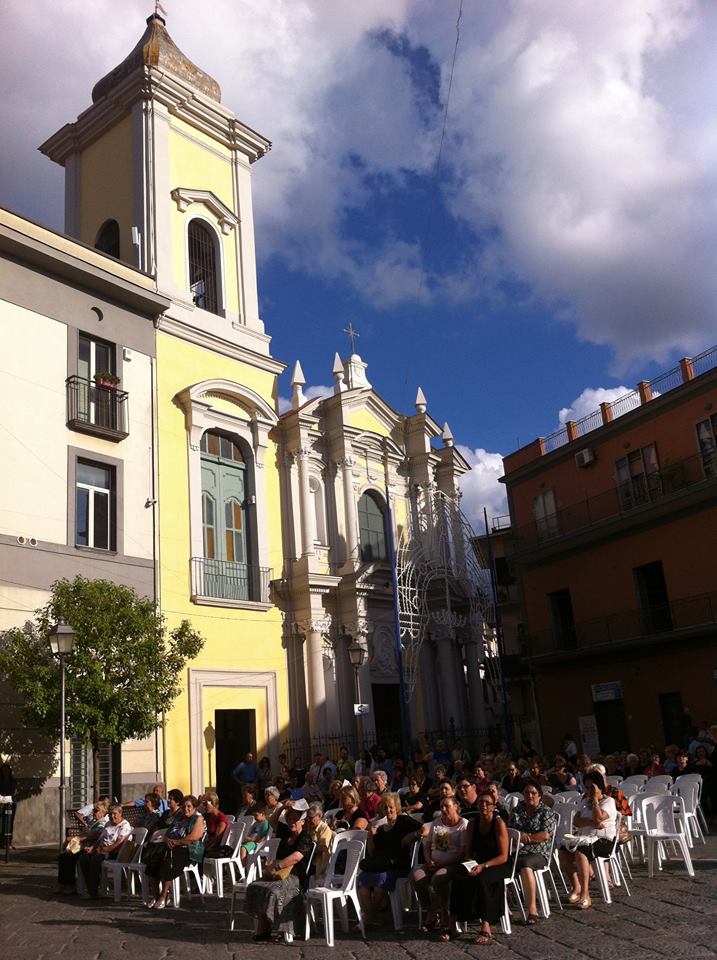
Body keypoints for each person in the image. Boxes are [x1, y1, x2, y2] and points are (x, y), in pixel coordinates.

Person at [446, 789, 511, 943]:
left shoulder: (498, 823)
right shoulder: (473, 823)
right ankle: (452, 925)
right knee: (457, 877)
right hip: (477, 862)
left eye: (487, 803)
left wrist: (483, 865)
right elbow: (468, 852)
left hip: (496, 863)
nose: (483, 805)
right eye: (481, 802)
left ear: (493, 806)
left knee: (482, 879)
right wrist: (470, 864)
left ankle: (486, 926)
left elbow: (503, 856)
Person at [245, 807, 314, 941]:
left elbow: (297, 856)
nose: (292, 822)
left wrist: (277, 866)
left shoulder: (305, 838)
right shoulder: (285, 834)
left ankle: (282, 930)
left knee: (274, 891)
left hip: (295, 877)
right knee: (256, 886)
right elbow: (271, 821)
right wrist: (283, 807)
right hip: (279, 874)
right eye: (289, 819)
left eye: (295, 819)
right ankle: (264, 928)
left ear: (302, 821)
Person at [558, 770, 616, 910]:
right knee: (563, 852)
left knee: (580, 852)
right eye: (587, 787)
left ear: (599, 787)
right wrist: (591, 822)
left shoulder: (608, 801)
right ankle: (576, 886)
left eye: (592, 788)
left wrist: (595, 800)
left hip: (603, 839)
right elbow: (577, 821)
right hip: (585, 838)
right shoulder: (584, 801)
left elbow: (599, 817)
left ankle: (585, 894)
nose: (589, 791)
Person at [357, 793, 416, 925]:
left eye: (391, 807)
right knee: (362, 881)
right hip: (381, 864)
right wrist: (370, 837)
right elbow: (372, 853)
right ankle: (369, 918)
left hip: (398, 864)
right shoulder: (380, 827)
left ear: (397, 808)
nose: (388, 810)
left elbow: (426, 828)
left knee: (379, 883)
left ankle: (367, 919)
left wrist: (413, 835)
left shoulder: (404, 821)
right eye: (385, 807)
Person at [411, 796, 467, 934]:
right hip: (434, 862)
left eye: (447, 806)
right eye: (442, 806)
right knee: (416, 877)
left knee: (438, 878)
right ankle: (431, 911)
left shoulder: (463, 825)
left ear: (456, 807)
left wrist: (443, 863)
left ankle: (445, 911)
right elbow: (427, 846)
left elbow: (462, 852)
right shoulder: (437, 822)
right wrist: (429, 860)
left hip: (453, 863)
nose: (443, 809)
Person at [509, 779, 556, 924]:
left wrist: (526, 837)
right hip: (518, 850)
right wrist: (519, 835)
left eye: (533, 793)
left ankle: (532, 910)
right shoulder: (518, 810)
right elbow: (510, 830)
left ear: (539, 795)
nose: (530, 796)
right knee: (498, 864)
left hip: (539, 852)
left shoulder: (546, 811)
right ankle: (504, 909)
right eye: (527, 793)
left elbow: (545, 835)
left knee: (525, 864)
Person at [146, 795, 205, 909]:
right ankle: (156, 896)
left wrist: (177, 842)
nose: (186, 809)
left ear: (194, 808)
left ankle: (163, 896)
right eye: (184, 806)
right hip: (171, 847)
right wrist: (167, 839)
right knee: (152, 863)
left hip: (188, 850)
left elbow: (194, 837)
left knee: (168, 863)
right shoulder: (179, 818)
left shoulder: (198, 819)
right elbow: (168, 832)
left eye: (189, 806)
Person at [77, 804, 131, 898]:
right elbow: (100, 839)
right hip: (103, 849)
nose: (112, 816)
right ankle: (91, 888)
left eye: (114, 814)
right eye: (110, 814)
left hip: (114, 852)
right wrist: (92, 848)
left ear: (120, 813)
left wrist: (103, 850)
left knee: (95, 859)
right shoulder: (108, 823)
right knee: (84, 857)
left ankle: (92, 892)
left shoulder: (124, 825)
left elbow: (117, 844)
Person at [56, 801, 109, 894]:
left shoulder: (102, 823)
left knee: (69, 857)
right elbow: (85, 833)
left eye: (96, 811)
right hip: (84, 845)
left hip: (92, 848)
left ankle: (71, 885)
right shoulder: (93, 822)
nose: (93, 813)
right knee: (63, 856)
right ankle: (63, 884)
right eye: (93, 811)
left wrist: (75, 839)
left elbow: (92, 835)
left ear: (102, 813)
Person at [305, 801, 334, 883]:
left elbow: (323, 847)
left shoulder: (324, 828)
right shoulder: (308, 827)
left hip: (318, 863)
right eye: (307, 818)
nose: (309, 820)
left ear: (319, 816)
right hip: (308, 860)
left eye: (311, 818)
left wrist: (307, 851)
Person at [200, 791, 229, 860]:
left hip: (217, 847)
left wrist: (205, 848)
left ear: (213, 804)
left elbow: (217, 839)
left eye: (206, 804)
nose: (204, 807)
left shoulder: (221, 818)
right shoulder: (207, 816)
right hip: (208, 844)